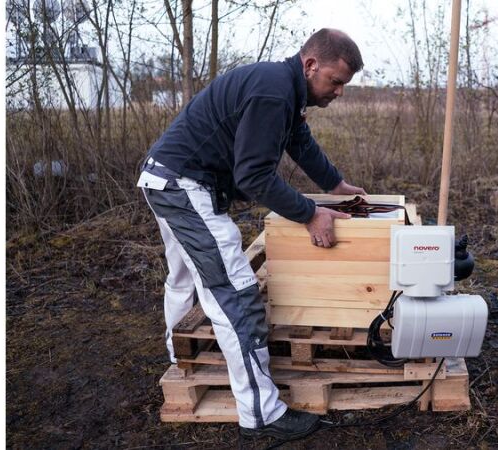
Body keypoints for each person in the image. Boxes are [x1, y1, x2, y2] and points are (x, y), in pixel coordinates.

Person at [136, 29, 366, 440]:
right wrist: (311, 214)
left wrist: (335, 186)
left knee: (185, 277)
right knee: (237, 295)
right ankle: (262, 415)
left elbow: (299, 141)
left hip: (165, 178)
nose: (340, 92)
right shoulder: (274, 92)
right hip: (184, 185)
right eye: (336, 81)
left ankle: (181, 353)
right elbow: (254, 176)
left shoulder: (283, 88)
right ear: (311, 65)